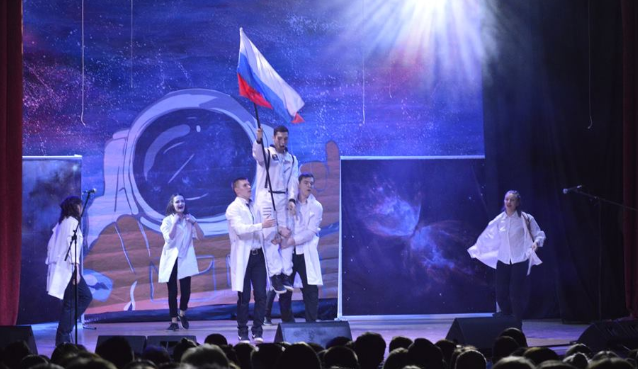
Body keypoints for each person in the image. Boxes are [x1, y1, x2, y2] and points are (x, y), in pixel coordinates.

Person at [468, 190, 546, 321]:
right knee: (500, 294)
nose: (508, 202)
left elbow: (539, 233)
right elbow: (488, 235)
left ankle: (517, 324)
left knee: (515, 294)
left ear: (517, 203)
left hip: (520, 259)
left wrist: (536, 243)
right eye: (506, 199)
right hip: (503, 260)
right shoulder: (500, 220)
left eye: (512, 200)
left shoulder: (526, 218)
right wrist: (477, 249)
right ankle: (507, 316)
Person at [226, 177, 276, 343]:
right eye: (245, 185)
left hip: (258, 255)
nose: (249, 187)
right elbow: (240, 230)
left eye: (249, 184)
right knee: (244, 296)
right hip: (243, 257)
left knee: (261, 294)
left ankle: (258, 330)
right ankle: (242, 331)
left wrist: (273, 234)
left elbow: (265, 228)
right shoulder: (233, 208)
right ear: (236, 189)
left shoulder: (255, 206)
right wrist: (262, 225)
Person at [252, 125, 300, 294]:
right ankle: (275, 275)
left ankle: (287, 273)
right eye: (279, 138)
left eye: (285, 138)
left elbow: (293, 181)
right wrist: (258, 139)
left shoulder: (292, 159)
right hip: (266, 197)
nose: (282, 141)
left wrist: (292, 199)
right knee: (270, 234)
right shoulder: (266, 153)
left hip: (284, 198)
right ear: (273, 138)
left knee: (286, 234)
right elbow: (257, 155)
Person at [46, 195, 94, 346]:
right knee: (75, 301)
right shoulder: (72, 222)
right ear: (75, 207)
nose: (81, 209)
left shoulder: (62, 223)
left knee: (76, 300)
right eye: (79, 206)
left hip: (62, 268)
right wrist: (76, 269)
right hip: (68, 268)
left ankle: (65, 332)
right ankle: (63, 336)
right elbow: (72, 245)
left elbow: (50, 246)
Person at [278, 173, 324, 322]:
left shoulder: (316, 206)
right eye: (306, 183)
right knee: (285, 290)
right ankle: (287, 323)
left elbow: (310, 232)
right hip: (288, 252)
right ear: (298, 185)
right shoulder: (288, 204)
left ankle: (311, 323)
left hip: (305, 252)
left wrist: (291, 241)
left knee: (310, 289)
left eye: (311, 183)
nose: (309, 186)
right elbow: (280, 222)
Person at [158, 193, 204, 330]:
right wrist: (174, 222)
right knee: (172, 291)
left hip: (185, 258)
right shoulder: (167, 220)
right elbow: (169, 238)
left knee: (186, 291)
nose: (180, 204)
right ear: (172, 204)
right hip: (171, 259)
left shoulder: (189, 220)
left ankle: (182, 312)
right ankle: (173, 321)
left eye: (182, 201)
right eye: (177, 202)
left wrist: (195, 223)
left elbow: (202, 237)